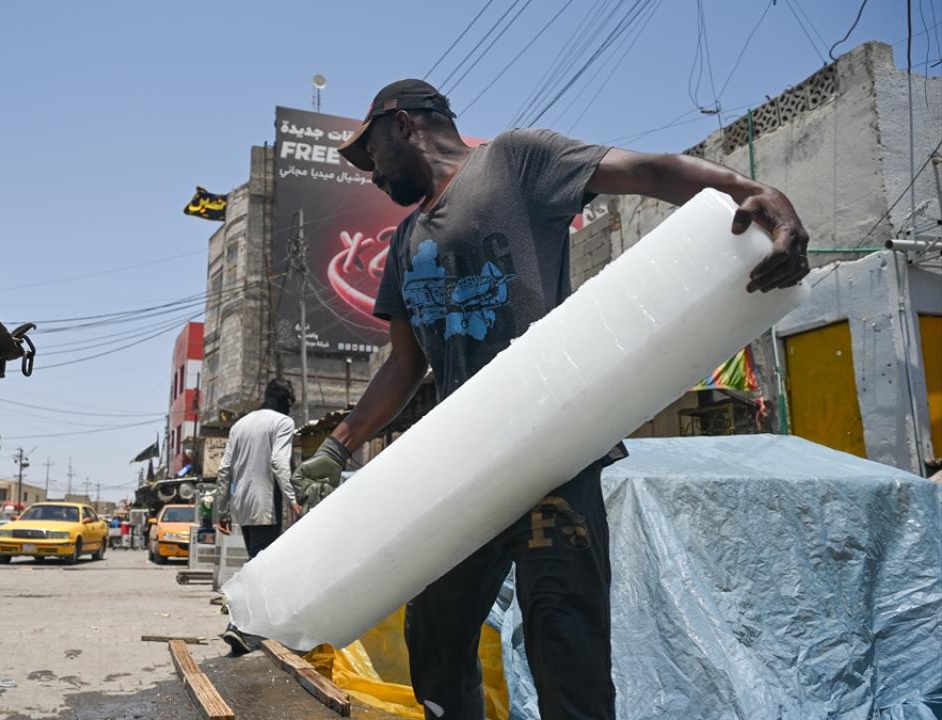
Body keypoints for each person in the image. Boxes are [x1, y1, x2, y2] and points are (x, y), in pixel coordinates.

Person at [289, 79, 810, 720]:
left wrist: (757, 195)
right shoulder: (403, 242)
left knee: (565, 642)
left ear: (401, 125)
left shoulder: (515, 162)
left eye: (370, 155)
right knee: (436, 638)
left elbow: (649, 170)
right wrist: (338, 448)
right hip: (457, 472)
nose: (371, 176)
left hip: (548, 459)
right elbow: (404, 365)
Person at [214, 378, 302, 654]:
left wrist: (222, 509)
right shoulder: (282, 423)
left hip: (242, 506)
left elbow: (224, 469)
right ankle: (239, 627)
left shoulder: (240, 424)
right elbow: (278, 462)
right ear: (286, 400)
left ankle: (253, 629)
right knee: (261, 570)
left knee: (258, 564)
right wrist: (292, 497)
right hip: (266, 504)